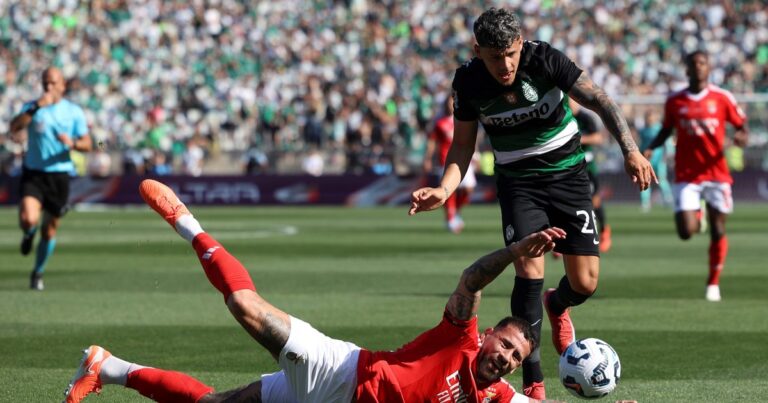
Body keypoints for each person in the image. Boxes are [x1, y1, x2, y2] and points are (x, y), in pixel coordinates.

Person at [65, 179, 567, 403]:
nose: (506, 357)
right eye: (505, 344)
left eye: (517, 357)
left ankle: (106, 367)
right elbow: (472, 280)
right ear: (489, 338)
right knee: (244, 305)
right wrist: (516, 249)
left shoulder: (498, 397)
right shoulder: (460, 337)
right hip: (341, 374)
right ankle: (188, 223)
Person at [408, 8, 655, 399]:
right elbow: (462, 145)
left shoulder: (545, 59)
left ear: (520, 44)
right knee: (527, 263)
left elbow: (600, 100)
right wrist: (445, 189)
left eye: (510, 54)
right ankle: (533, 381)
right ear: (478, 51)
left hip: (569, 176)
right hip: (518, 183)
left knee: (585, 283)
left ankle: (557, 304)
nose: (504, 64)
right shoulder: (469, 82)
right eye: (494, 56)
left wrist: (631, 150)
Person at [643, 50, 748, 302]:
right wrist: (650, 148)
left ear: (708, 68)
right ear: (688, 69)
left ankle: (713, 282)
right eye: (694, 64)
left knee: (718, 229)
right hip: (687, 174)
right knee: (686, 231)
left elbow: (741, 125)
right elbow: (666, 129)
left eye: (703, 63)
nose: (699, 67)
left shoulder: (722, 98)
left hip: (717, 173)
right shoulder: (675, 101)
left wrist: (742, 136)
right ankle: (696, 214)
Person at [8, 66, 92, 291]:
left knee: (50, 230)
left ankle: (38, 272)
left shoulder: (73, 112)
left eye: (53, 83)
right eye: (45, 82)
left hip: (59, 175)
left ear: (63, 85)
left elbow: (89, 144)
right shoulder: (33, 107)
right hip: (34, 172)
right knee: (28, 218)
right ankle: (28, 232)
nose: (48, 87)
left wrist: (72, 143)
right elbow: (14, 127)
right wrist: (36, 107)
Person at [422, 94, 477, 234]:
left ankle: (456, 212)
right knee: (448, 190)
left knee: (469, 188)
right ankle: (451, 217)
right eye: (448, 102)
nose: (450, 104)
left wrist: (476, 155)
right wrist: (428, 158)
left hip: (464, 159)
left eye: (452, 101)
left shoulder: (462, 120)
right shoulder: (440, 123)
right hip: (445, 160)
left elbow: (470, 139)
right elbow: (432, 142)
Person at [570, 98, 612, 253]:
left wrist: (577, 139)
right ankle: (563, 240)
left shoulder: (586, 118)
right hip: (568, 166)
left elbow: (598, 137)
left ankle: (604, 231)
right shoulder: (561, 115)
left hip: (587, 166)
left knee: (594, 201)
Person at [637, 109, 674, 213]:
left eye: (650, 117)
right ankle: (645, 203)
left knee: (661, 180)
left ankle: (668, 200)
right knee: (645, 180)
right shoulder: (643, 131)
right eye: (647, 118)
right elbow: (641, 145)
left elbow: (667, 142)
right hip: (647, 160)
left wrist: (669, 153)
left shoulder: (659, 129)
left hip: (659, 159)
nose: (649, 120)